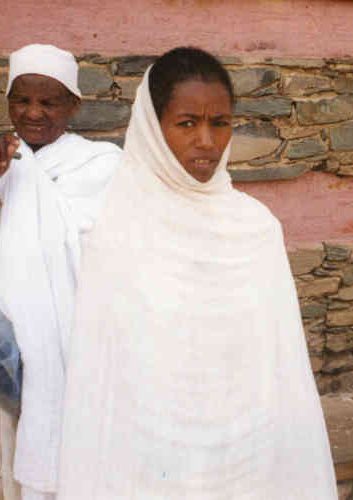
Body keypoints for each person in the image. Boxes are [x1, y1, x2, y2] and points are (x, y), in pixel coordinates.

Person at [57, 47, 338, 499]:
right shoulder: (111, 228)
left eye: (220, 123)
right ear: (153, 126)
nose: (206, 141)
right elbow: (103, 383)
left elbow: (278, 373)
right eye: (187, 123)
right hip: (145, 463)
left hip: (246, 460)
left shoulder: (255, 227)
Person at [0, 44, 122, 500]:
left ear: (73, 105)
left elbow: (101, 246)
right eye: (21, 100)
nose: (33, 112)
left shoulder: (101, 164)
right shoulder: (4, 159)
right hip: (6, 341)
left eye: (48, 101)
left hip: (69, 334)